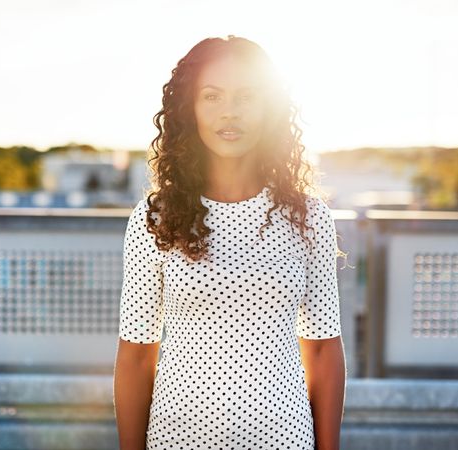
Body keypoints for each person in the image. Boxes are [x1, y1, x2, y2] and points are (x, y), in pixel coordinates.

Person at [113, 34, 346, 450]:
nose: (230, 113)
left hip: (284, 439)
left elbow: (324, 349)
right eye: (212, 96)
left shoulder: (308, 218)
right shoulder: (155, 219)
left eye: (246, 97)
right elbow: (135, 355)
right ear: (190, 109)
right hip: (177, 439)